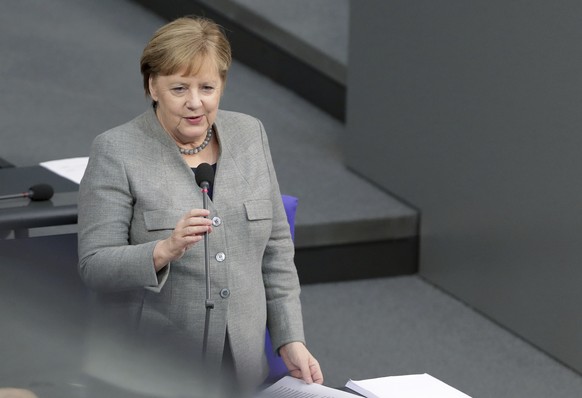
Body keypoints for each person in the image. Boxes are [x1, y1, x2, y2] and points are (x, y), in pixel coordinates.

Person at [77, 15, 323, 393]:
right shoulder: (116, 151)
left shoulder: (249, 134)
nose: (195, 103)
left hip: (242, 366)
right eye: (179, 88)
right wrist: (162, 250)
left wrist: (290, 338)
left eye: (207, 87)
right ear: (152, 86)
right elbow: (95, 266)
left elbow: (275, 248)